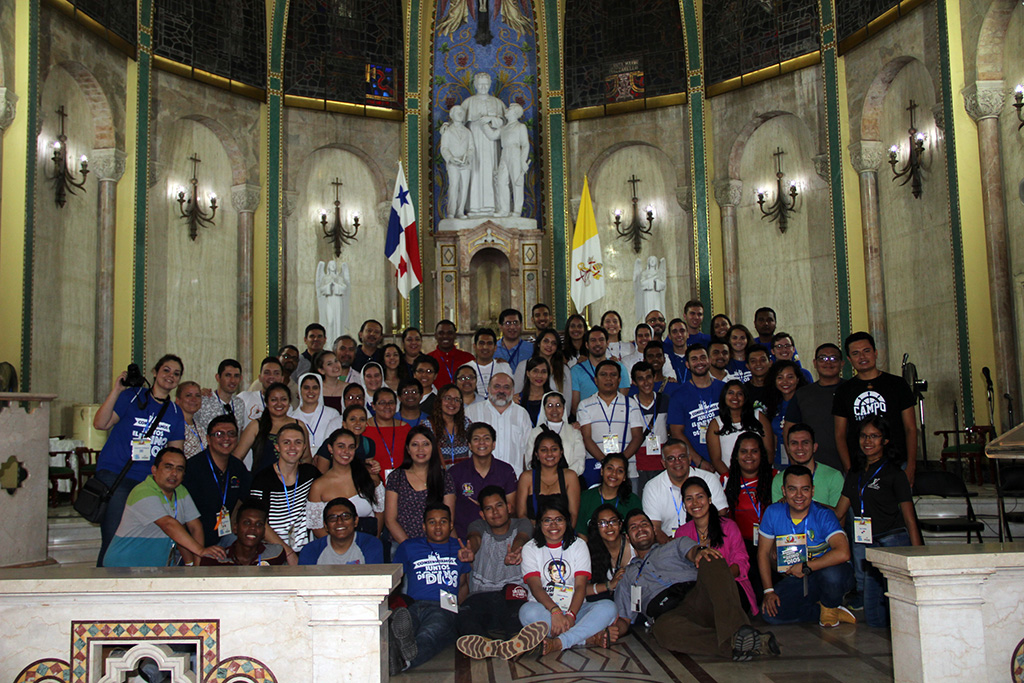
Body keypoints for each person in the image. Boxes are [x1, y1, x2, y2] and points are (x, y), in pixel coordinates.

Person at [611, 510, 775, 661]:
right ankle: (742, 641)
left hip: (698, 597)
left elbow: (693, 551)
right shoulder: (627, 576)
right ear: (627, 537)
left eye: (644, 524)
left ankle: (738, 629)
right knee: (663, 632)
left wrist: (700, 552)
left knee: (711, 558)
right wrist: (611, 632)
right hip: (669, 615)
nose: (640, 529)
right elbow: (625, 618)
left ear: (654, 531)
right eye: (634, 527)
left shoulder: (675, 545)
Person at [92, 355, 187, 566]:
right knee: (113, 538)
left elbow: (175, 452)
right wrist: (117, 390)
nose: (170, 376)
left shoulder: (174, 412)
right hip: (118, 475)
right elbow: (100, 423)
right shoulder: (133, 396)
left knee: (144, 540)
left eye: (176, 373)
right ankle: (102, 588)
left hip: (149, 483)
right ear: (155, 372)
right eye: (166, 370)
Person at [833, 417, 922, 627]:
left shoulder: (894, 473)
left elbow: (909, 518)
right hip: (868, 545)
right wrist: (810, 506)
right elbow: (839, 512)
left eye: (874, 436)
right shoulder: (855, 474)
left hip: (893, 542)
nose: (868, 441)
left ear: (885, 441)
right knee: (873, 615)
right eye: (864, 436)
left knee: (899, 607)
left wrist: (919, 556)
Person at [758, 465, 855, 628]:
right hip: (797, 579)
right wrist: (769, 591)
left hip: (828, 575)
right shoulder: (773, 512)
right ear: (783, 491)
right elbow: (762, 553)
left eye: (805, 489)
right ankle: (824, 611)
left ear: (813, 490)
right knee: (770, 614)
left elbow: (843, 553)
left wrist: (805, 567)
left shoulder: (824, 514)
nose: (799, 495)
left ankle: (830, 603)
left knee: (832, 575)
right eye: (792, 489)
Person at [519, 499, 618, 655]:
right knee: (526, 612)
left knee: (609, 608)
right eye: (547, 521)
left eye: (559, 520)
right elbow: (535, 587)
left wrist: (571, 615)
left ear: (567, 522)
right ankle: (586, 638)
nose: (553, 526)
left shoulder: (578, 545)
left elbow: (580, 587)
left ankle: (558, 642)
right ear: (539, 523)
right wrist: (555, 612)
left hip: (576, 610)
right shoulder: (530, 549)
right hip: (544, 611)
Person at [456, 486, 543, 658]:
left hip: (512, 596)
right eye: (488, 509)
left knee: (518, 615)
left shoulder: (522, 523)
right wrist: (471, 549)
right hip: (482, 597)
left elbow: (522, 537)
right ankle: (488, 644)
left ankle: (514, 640)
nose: (495, 512)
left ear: (509, 507)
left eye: (499, 506)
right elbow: (475, 537)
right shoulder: (477, 525)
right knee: (462, 615)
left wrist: (516, 550)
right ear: (482, 514)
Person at [105, 446, 227, 567]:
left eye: (179, 469)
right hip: (124, 565)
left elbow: (195, 526)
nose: (174, 474)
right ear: (154, 470)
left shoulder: (180, 491)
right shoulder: (143, 491)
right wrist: (200, 551)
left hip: (156, 567)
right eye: (168, 467)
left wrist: (195, 563)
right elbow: (168, 524)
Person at [389, 504, 474, 674]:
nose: (437, 527)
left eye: (443, 521)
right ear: (423, 526)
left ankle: (403, 661)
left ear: (451, 525)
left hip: (444, 605)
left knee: (431, 632)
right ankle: (398, 655)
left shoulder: (461, 547)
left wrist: (455, 609)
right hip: (414, 604)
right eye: (432, 522)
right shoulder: (409, 546)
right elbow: (395, 580)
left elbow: (463, 584)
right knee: (404, 629)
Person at [833, 331, 918, 482]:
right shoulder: (844, 391)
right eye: (856, 353)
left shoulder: (897, 384)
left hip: (897, 464)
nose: (862, 357)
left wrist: (911, 466)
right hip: (860, 466)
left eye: (866, 351)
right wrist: (848, 468)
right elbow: (840, 434)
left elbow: (911, 428)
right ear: (849, 359)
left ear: (875, 353)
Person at [674, 477, 757, 614]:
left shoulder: (729, 526)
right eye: (689, 499)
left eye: (700, 497)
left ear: (710, 499)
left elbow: (741, 562)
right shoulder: (681, 533)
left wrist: (718, 579)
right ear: (684, 504)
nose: (695, 503)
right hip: (698, 590)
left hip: (731, 584)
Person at [182, 415, 254, 552]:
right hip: (194, 540)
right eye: (219, 434)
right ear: (208, 439)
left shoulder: (237, 467)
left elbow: (249, 500)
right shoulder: (193, 467)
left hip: (224, 535)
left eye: (231, 434)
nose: (226, 439)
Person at [642, 439, 728, 543]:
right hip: (669, 545)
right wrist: (675, 549)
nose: (677, 462)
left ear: (689, 458)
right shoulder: (652, 487)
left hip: (708, 541)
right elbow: (654, 529)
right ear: (664, 463)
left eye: (682, 457)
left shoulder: (709, 479)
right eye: (671, 458)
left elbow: (721, 516)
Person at [385, 425, 457, 544]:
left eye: (425, 444)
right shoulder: (396, 477)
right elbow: (390, 520)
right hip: (403, 545)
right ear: (408, 449)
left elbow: (449, 519)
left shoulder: (444, 478)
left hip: (438, 544)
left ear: (433, 448)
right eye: (415, 445)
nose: (420, 449)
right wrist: (411, 548)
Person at [723, 432, 775, 596]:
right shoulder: (726, 480)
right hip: (742, 546)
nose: (749, 456)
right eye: (744, 451)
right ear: (736, 456)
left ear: (762, 454)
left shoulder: (775, 478)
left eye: (754, 451)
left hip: (772, 543)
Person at [307, 428, 384, 537]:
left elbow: (380, 512)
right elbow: (317, 528)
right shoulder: (318, 486)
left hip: (368, 541)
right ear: (330, 448)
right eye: (341, 446)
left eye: (351, 447)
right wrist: (340, 549)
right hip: (333, 547)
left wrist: (374, 541)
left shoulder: (369, 475)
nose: (346, 451)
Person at [578, 360, 644, 486]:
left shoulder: (631, 404)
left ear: (619, 380)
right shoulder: (584, 405)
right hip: (597, 467)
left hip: (627, 469)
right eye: (603, 374)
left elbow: (637, 437)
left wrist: (620, 463)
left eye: (613, 375)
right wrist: (607, 463)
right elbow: (586, 438)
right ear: (596, 380)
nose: (608, 378)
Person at [449, 422, 518, 540]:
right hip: (464, 539)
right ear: (469, 445)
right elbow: (448, 515)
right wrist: (457, 544)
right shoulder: (455, 472)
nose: (481, 442)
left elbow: (511, 511)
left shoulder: (506, 471)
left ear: (493, 444)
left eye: (486, 438)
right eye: (476, 439)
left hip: (499, 541)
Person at [784, 342, 845, 472]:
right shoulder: (803, 394)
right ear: (815, 363)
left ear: (842, 364)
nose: (828, 363)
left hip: (849, 465)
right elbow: (789, 430)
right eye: (822, 358)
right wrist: (796, 463)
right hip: (812, 467)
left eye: (833, 358)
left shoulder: (851, 390)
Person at [667, 344, 726, 468]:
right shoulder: (678, 395)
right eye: (694, 359)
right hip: (696, 463)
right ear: (687, 364)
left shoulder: (724, 389)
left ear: (709, 360)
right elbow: (676, 432)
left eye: (703, 357)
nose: (699, 362)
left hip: (726, 458)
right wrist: (698, 461)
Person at [234, 383, 312, 473]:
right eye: (274, 400)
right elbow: (237, 457)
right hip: (262, 483)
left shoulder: (299, 425)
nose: (279, 403)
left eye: (283, 399)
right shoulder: (256, 426)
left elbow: (306, 459)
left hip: (292, 483)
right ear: (266, 403)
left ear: (289, 401)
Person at [466, 372, 532, 477]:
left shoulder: (522, 414)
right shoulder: (471, 412)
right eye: (497, 386)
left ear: (513, 391)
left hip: (514, 479)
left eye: (506, 387)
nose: (501, 391)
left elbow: (528, 451)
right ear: (488, 389)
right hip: (478, 478)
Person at [462, 71, 506, 216]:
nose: (483, 87)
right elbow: (457, 119)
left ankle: (492, 206)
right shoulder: (469, 102)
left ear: (490, 84)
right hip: (473, 139)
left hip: (491, 142)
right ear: (475, 85)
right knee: (475, 171)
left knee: (491, 170)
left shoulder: (496, 102)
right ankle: (473, 207)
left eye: (486, 84)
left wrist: (490, 119)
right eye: (480, 84)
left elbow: (505, 122)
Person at [706, 380, 772, 476]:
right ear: (724, 396)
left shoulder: (759, 417)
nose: (735, 397)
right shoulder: (715, 424)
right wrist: (734, 480)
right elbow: (716, 460)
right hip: (730, 479)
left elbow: (769, 452)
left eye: (739, 394)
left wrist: (757, 477)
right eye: (731, 393)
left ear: (745, 397)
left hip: (760, 477)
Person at [771, 423, 845, 509]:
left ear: (814, 447)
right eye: (794, 443)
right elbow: (777, 518)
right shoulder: (779, 479)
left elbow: (838, 518)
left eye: (805, 443)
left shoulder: (833, 477)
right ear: (788, 448)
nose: (800, 448)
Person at [516, 429, 581, 526]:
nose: (549, 454)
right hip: (533, 534)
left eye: (554, 449)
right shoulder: (526, 478)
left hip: (563, 534)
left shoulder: (570, 476)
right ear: (536, 454)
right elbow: (521, 515)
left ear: (561, 452)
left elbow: (573, 515)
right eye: (544, 450)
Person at [199, 499, 288, 566]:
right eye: (247, 523)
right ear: (235, 528)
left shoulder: (276, 554)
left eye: (259, 524)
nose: (253, 528)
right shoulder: (215, 560)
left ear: (264, 531)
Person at [298, 496, 384, 565]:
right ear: (325, 525)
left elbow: (374, 581)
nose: (339, 522)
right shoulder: (311, 550)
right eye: (332, 518)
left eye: (345, 516)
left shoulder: (371, 544)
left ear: (355, 521)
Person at [628, 361, 671, 496]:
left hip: (661, 464)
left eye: (648, 377)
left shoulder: (665, 400)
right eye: (640, 379)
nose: (646, 382)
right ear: (634, 382)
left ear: (654, 378)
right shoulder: (629, 404)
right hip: (638, 465)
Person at [575, 454, 641, 537]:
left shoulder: (633, 501)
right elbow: (582, 534)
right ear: (602, 471)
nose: (614, 474)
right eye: (610, 468)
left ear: (624, 477)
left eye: (620, 471)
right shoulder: (585, 498)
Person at [571, 327, 629, 415]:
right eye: (593, 340)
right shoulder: (576, 370)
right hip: (587, 420)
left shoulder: (619, 368)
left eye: (601, 340)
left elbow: (624, 401)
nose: (597, 343)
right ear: (587, 345)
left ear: (607, 343)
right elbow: (575, 407)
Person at [527, 391, 586, 476]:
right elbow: (530, 460)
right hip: (542, 480)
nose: (554, 410)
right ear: (544, 409)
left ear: (564, 408)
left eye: (558, 405)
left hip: (569, 479)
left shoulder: (574, 431)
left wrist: (565, 476)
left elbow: (579, 459)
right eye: (550, 405)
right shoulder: (535, 432)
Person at [583, 505, 635, 600]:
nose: (609, 526)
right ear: (596, 528)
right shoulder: (590, 550)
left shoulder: (633, 544)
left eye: (613, 521)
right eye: (602, 523)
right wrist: (609, 585)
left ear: (620, 524)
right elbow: (581, 589)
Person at [289, 373, 342, 458]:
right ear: (299, 390)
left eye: (315, 388)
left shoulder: (332, 414)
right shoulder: (292, 417)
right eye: (306, 388)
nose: (311, 391)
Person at [365, 388, 412, 482]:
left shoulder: (405, 428)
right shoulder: (364, 428)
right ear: (373, 406)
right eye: (382, 403)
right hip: (373, 482)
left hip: (403, 482)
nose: (387, 406)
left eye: (391, 402)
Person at [513, 328, 572, 400]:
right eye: (546, 341)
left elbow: (567, 399)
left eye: (553, 343)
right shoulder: (523, 366)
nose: (549, 345)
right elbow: (515, 395)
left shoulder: (564, 370)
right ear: (538, 343)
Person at [495, 103, 530, 217]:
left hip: (515, 152)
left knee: (517, 182)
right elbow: (492, 135)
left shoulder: (520, 126)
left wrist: (523, 160)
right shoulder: (504, 128)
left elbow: (525, 144)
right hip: (504, 153)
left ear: (515, 113)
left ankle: (517, 210)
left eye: (509, 109)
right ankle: (504, 209)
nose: (506, 110)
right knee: (501, 181)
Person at [194, 358, 246, 434]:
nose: (232, 380)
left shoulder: (239, 403)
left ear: (241, 378)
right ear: (218, 377)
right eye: (228, 375)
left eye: (236, 376)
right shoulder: (203, 401)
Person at [426, 383, 472, 468]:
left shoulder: (466, 424)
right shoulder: (428, 426)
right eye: (448, 398)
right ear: (439, 400)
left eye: (457, 399)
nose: (452, 403)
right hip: (438, 478)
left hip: (463, 477)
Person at [440, 104, 473, 218]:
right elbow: (444, 148)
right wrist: (450, 158)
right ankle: (451, 212)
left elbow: (471, 148)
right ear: (452, 115)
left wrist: (467, 157)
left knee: (464, 187)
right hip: (453, 163)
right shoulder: (447, 131)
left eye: (462, 112)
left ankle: (460, 211)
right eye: (457, 112)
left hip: (465, 164)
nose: (460, 114)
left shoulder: (468, 132)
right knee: (454, 186)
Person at [429, 320, 474, 387]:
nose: (445, 336)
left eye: (449, 333)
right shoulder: (429, 359)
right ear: (436, 336)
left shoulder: (468, 358)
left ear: (455, 335)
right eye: (441, 333)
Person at [237, 357, 284, 423]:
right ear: (260, 377)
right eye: (267, 373)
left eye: (276, 373)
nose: (271, 377)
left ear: (282, 379)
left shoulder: (285, 406)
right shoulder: (244, 398)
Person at [470, 327, 511, 399]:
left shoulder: (504, 367)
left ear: (495, 347)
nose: (485, 347)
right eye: (481, 343)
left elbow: (511, 392)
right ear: (474, 346)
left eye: (489, 343)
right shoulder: (466, 368)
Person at [515, 357, 552, 426]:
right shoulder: (518, 399)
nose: (539, 375)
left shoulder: (553, 398)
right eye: (535, 371)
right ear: (528, 373)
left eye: (543, 372)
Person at [495, 308, 534, 373]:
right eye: (508, 323)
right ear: (500, 326)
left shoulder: (532, 348)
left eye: (516, 323)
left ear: (521, 325)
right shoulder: (493, 349)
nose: (512, 327)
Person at [176, 381, 206, 458]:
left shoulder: (199, 427)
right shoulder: (175, 425)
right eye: (188, 395)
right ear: (178, 400)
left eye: (198, 396)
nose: (194, 399)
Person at [742, 344, 771, 409]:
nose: (758, 364)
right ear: (748, 366)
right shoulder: (742, 391)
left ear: (770, 363)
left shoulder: (779, 387)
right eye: (753, 361)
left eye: (762, 360)